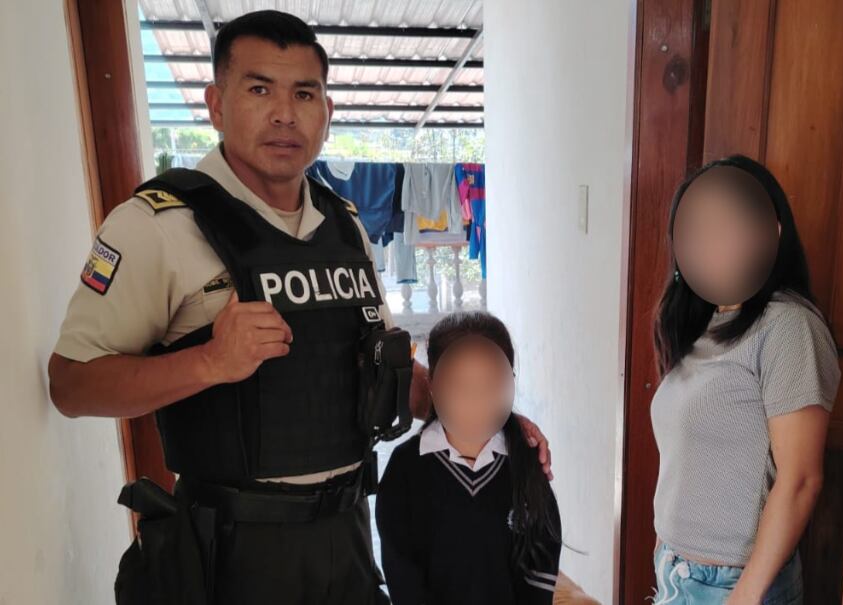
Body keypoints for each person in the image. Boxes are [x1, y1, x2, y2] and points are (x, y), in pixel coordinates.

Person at [47, 10, 551, 604]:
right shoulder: (160, 225)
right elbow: (71, 385)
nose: (285, 113)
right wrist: (208, 362)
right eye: (259, 89)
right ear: (216, 104)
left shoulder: (345, 225)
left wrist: (490, 421)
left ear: (327, 113)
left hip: (349, 538)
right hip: (231, 553)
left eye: (304, 94)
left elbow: (385, 371)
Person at [650, 155, 841, 605]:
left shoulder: (788, 326)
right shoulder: (707, 324)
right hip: (678, 572)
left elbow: (801, 478)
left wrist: (745, 595)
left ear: (770, 233)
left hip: (735, 585)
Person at [376, 311, 561, 605]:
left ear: (508, 383)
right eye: (461, 387)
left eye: (489, 386)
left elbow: (542, 553)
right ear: (433, 384)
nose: (475, 401)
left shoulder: (524, 460)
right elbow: (402, 570)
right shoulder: (406, 467)